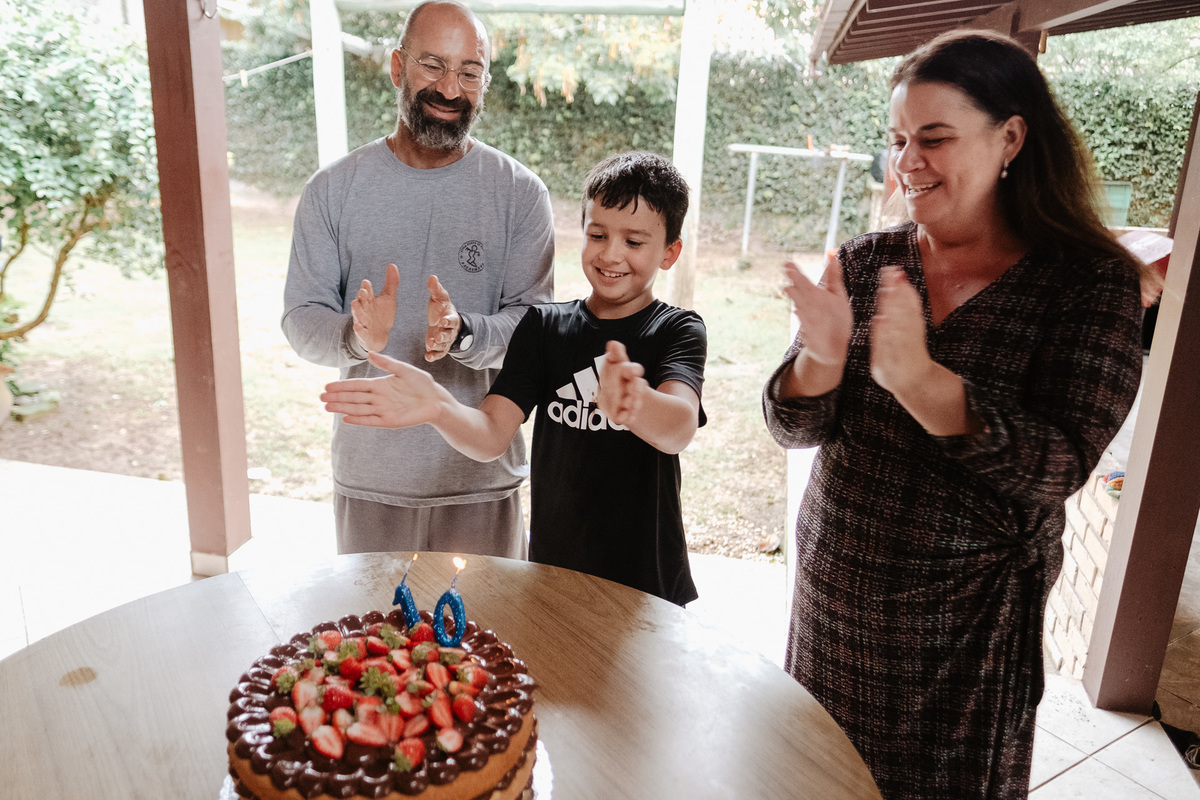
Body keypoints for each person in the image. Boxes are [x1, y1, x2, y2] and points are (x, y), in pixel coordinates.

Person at [763, 31, 1145, 799]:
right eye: (899, 139)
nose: (907, 162)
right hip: (837, 592)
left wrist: (924, 383)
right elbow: (793, 426)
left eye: (933, 138)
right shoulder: (869, 261)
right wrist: (821, 362)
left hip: (964, 633)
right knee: (820, 777)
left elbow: (1058, 467)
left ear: (1010, 137)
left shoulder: (1088, 284)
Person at [322, 152, 706, 606]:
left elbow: (678, 428)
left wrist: (637, 403)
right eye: (597, 234)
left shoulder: (678, 329)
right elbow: (490, 436)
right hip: (551, 570)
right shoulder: (544, 328)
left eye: (634, 242)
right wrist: (439, 407)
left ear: (670, 252)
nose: (610, 254)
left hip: (648, 579)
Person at [282, 0, 554, 558]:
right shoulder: (332, 190)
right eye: (433, 66)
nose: (451, 90)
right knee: (376, 643)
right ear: (397, 67)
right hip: (372, 481)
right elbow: (301, 319)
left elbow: (535, 328)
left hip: (481, 481)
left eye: (469, 72)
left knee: (485, 644)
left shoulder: (521, 194)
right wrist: (356, 337)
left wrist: (467, 334)